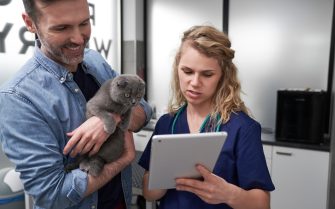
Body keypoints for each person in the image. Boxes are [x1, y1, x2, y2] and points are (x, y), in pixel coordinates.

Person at [0, 0, 152, 209]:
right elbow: (53, 195)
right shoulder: (17, 98)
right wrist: (124, 159)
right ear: (30, 23)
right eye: (62, 28)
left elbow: (144, 110)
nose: (79, 38)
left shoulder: (95, 61)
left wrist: (110, 120)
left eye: (84, 23)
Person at [138, 25, 275, 209]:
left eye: (207, 74)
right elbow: (148, 193)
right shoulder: (167, 124)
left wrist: (229, 194)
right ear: (177, 68)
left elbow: (262, 204)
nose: (194, 83)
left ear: (222, 76)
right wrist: (163, 177)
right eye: (187, 71)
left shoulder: (241, 128)